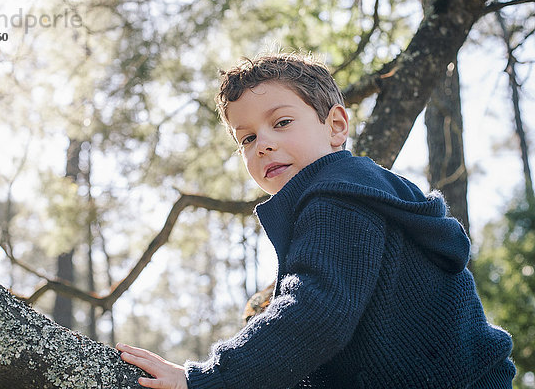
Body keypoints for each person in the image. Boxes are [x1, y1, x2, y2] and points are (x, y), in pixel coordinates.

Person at [116, 52, 516, 388]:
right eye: (247, 138)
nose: (264, 143)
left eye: (281, 122)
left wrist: (205, 380)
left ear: (336, 126)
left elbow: (314, 315)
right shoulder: (364, 191)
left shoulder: (337, 195)